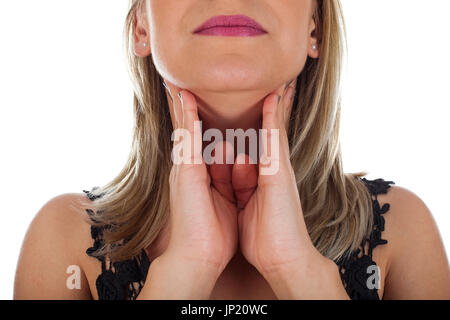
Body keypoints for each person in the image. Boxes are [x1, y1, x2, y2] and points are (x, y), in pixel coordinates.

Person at [14, 0, 450, 300]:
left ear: (314, 28)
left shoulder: (403, 233)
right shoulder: (63, 240)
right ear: (140, 27)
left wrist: (298, 270)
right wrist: (186, 270)